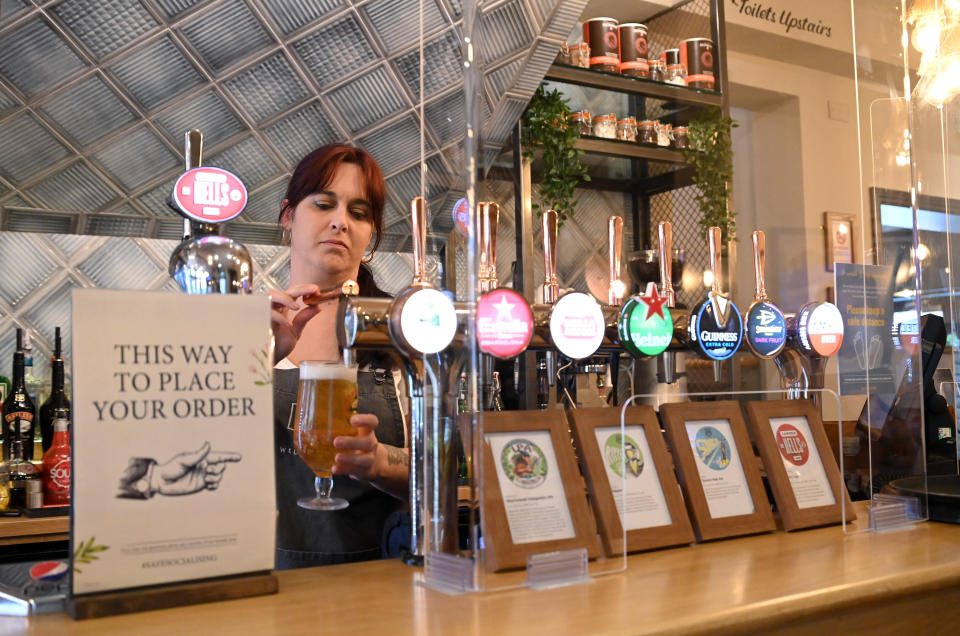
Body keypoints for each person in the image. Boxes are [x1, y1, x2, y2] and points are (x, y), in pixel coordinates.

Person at [268, 144, 409, 569]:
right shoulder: (248, 327)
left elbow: (445, 471)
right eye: (324, 203)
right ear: (288, 216)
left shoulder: (399, 331)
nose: (340, 222)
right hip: (261, 580)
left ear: (370, 237)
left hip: (379, 579)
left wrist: (380, 461)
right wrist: (263, 352)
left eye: (359, 212)